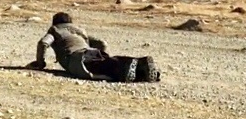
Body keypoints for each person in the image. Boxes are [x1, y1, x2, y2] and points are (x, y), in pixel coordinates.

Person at [28, 12, 160, 82]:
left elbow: (43, 43)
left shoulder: (55, 30)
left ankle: (129, 68)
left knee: (108, 70)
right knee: (109, 63)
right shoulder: (79, 30)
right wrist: (101, 53)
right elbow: (102, 43)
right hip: (92, 52)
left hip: (77, 58)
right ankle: (140, 65)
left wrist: (41, 63)